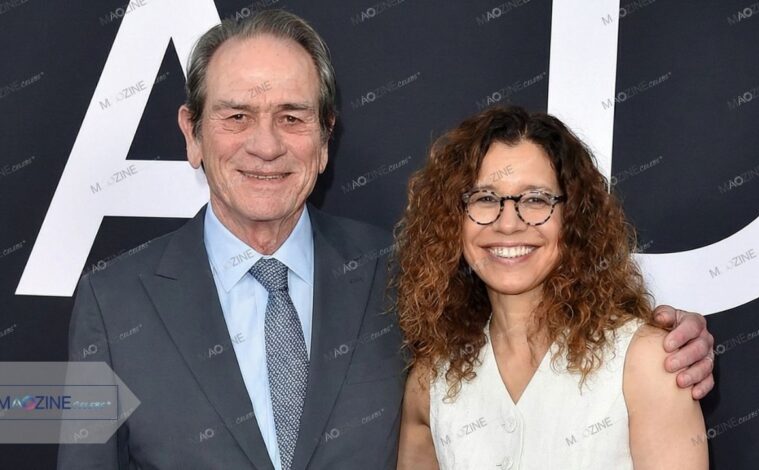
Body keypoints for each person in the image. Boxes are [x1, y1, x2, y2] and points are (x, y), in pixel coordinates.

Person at [58, 10, 713, 470]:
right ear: (192, 133)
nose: (265, 144)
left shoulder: (408, 276)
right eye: (236, 117)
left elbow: (538, 312)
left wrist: (675, 335)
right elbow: (56, 438)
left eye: (292, 116)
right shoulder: (109, 305)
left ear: (325, 137)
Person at [395, 105, 709, 469]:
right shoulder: (431, 381)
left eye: (535, 200)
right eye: (484, 199)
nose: (508, 223)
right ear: (453, 218)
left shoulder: (646, 362)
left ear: (573, 216)